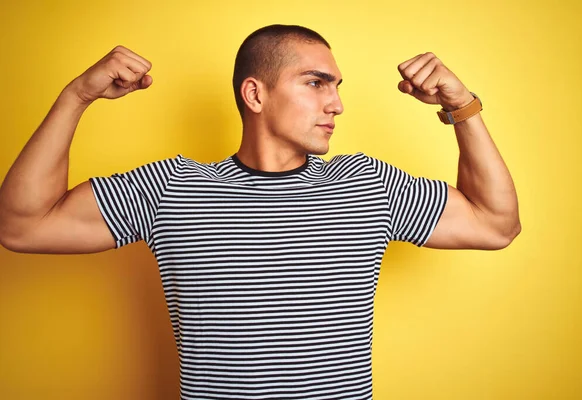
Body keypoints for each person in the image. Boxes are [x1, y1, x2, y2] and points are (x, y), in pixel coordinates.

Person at [0, 24, 520, 400]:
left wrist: (463, 107)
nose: (336, 104)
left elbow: (496, 225)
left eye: (337, 87)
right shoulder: (170, 188)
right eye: (316, 83)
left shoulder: (366, 184)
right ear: (255, 93)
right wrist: (76, 97)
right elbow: (22, 225)